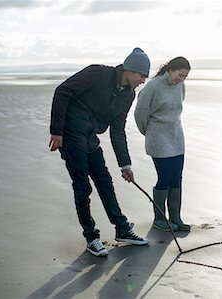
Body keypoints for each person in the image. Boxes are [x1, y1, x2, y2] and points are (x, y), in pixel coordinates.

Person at [49, 48, 150, 257]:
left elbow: (118, 129)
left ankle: (122, 229)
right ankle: (91, 237)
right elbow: (63, 91)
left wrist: (125, 165)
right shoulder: (98, 74)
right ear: (130, 70)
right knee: (82, 186)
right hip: (71, 134)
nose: (143, 80)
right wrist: (57, 131)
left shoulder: (128, 95)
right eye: (142, 75)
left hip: (90, 138)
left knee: (104, 181)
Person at [134, 56, 191, 232]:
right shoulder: (153, 86)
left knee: (177, 177)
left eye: (185, 77)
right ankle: (159, 220)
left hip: (176, 137)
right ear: (171, 70)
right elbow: (140, 113)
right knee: (164, 178)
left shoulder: (180, 86)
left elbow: (177, 109)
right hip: (158, 139)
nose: (181, 80)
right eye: (180, 75)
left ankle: (176, 218)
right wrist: (150, 133)